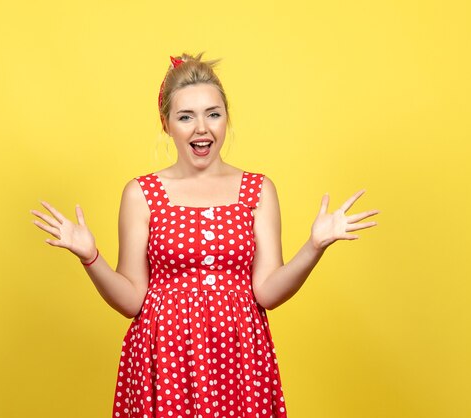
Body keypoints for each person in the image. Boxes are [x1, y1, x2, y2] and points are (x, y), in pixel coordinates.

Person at [30, 52, 380, 417]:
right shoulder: (141, 194)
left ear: (226, 118)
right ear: (166, 124)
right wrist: (90, 257)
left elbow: (267, 292)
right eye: (186, 117)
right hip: (164, 357)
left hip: (240, 357)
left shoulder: (258, 190)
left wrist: (314, 246)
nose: (202, 128)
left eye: (213, 114)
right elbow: (132, 299)